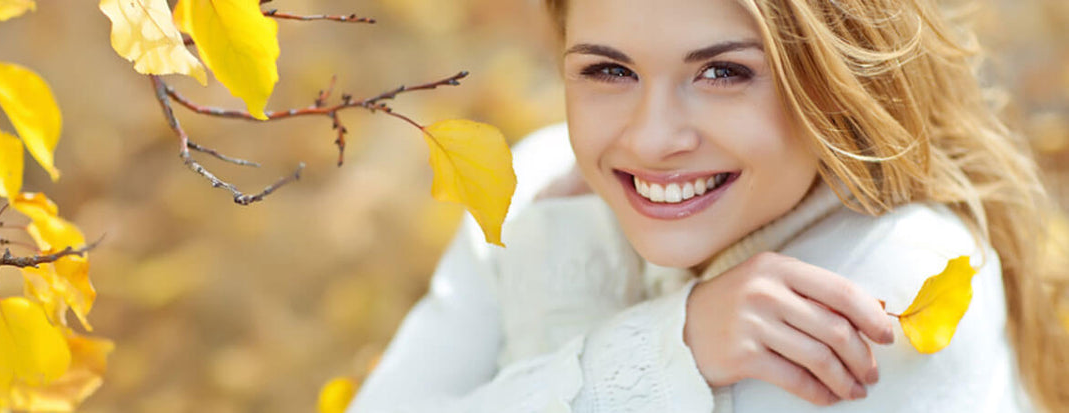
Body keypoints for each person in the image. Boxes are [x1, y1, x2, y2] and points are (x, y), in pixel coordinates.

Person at [346, 0, 1069, 411]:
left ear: (831, 75)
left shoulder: (886, 277)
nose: (654, 139)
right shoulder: (542, 186)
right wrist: (669, 345)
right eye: (608, 69)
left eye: (724, 72)